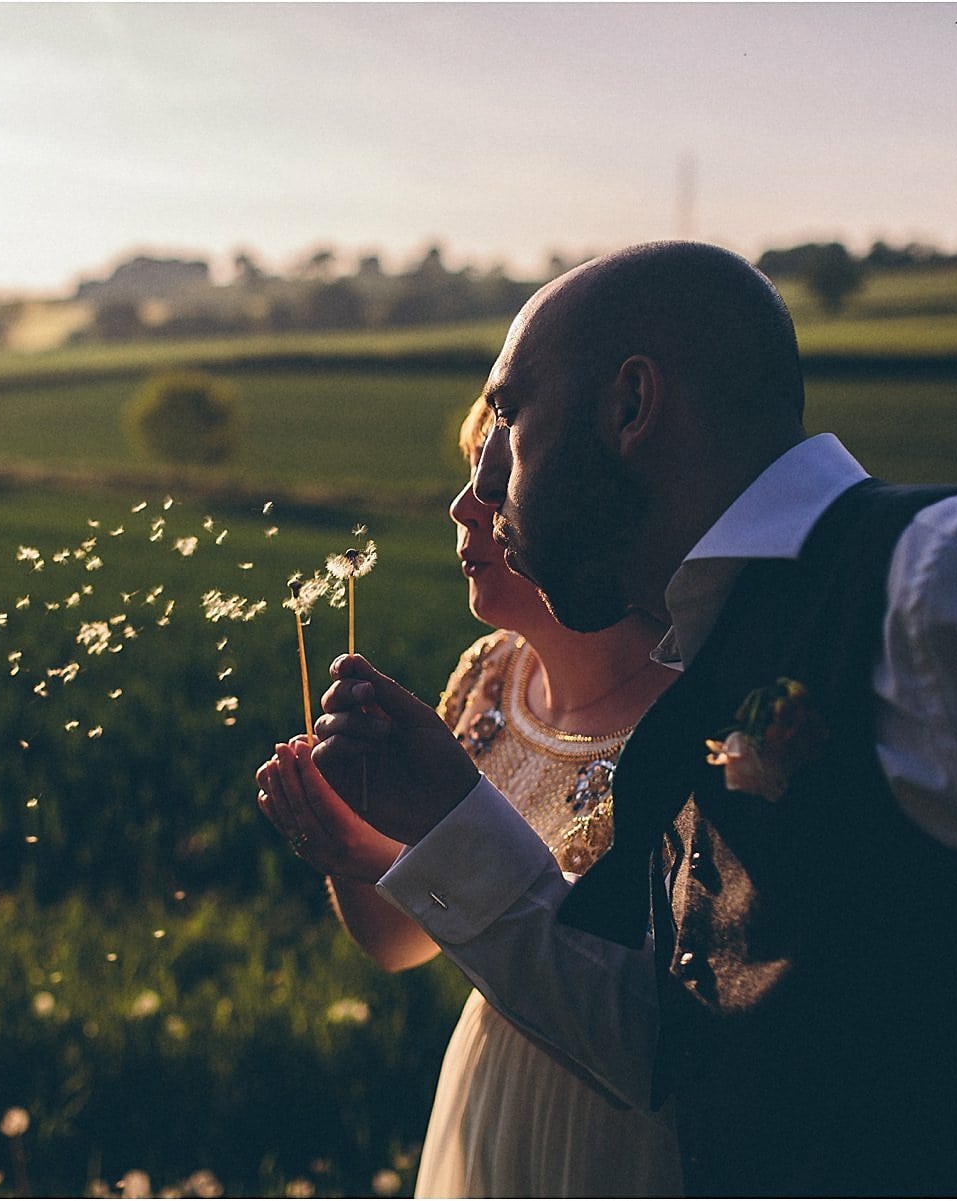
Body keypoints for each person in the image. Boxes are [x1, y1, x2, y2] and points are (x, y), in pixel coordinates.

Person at [272, 241, 957, 1196]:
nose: (481, 483)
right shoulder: (715, 657)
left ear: (632, 407)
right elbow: (673, 1042)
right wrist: (448, 818)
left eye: (509, 417)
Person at [257, 398, 682, 1197]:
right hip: (495, 1087)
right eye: (468, 477)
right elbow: (401, 943)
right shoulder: (493, 675)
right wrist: (347, 845)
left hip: (623, 1129)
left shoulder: (700, 713)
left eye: (499, 481)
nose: (462, 509)